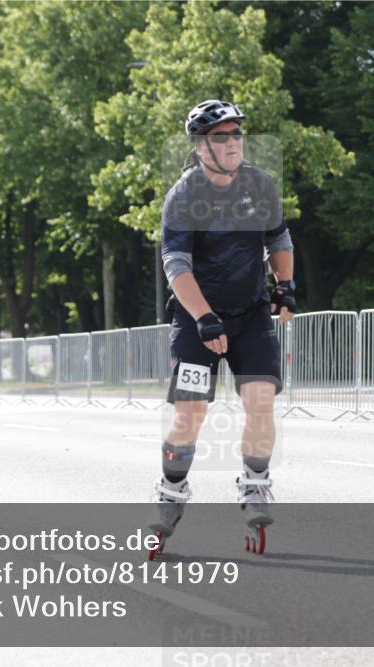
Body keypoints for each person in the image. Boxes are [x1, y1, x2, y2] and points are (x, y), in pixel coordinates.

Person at [149, 100, 296, 554]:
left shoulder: (259, 185)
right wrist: (204, 316)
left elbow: (278, 238)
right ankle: (171, 491)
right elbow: (175, 262)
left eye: (237, 135)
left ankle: (255, 483)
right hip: (198, 317)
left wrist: (286, 285)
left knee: (260, 400)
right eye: (221, 137)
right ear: (200, 147)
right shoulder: (184, 195)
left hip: (250, 314)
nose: (232, 143)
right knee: (190, 414)